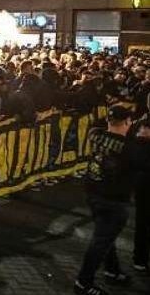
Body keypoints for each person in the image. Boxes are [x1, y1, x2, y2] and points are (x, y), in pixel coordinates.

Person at [74, 105, 144, 295]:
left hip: (93, 192)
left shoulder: (95, 134)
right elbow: (140, 161)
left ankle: (111, 270)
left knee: (105, 236)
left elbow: (99, 127)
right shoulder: (130, 148)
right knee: (101, 241)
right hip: (113, 200)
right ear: (128, 121)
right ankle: (83, 282)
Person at [133, 118, 150, 272]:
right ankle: (140, 258)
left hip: (141, 182)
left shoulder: (139, 125)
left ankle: (140, 258)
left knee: (142, 222)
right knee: (142, 222)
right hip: (144, 183)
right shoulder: (141, 125)